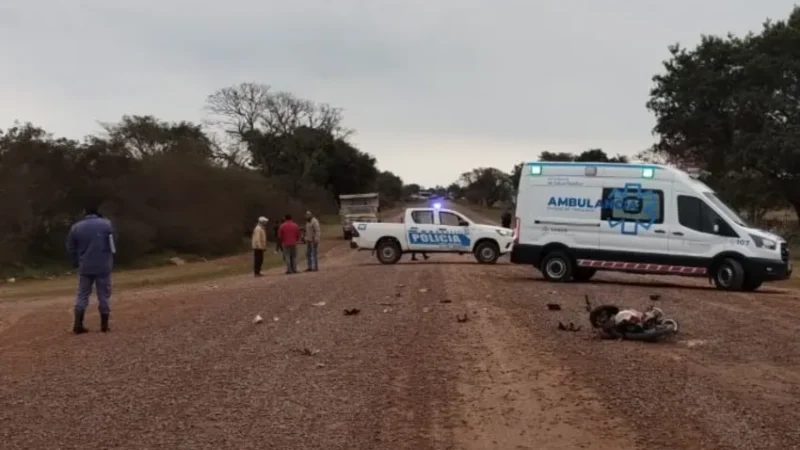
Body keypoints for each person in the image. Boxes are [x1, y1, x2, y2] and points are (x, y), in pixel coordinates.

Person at [66, 205, 116, 334]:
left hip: (85, 266)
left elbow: (71, 247)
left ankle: (78, 324)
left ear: (84, 213)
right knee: (103, 295)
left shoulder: (76, 227)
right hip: (103, 265)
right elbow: (113, 243)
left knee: (82, 294)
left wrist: (75, 262)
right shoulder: (106, 224)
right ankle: (104, 325)